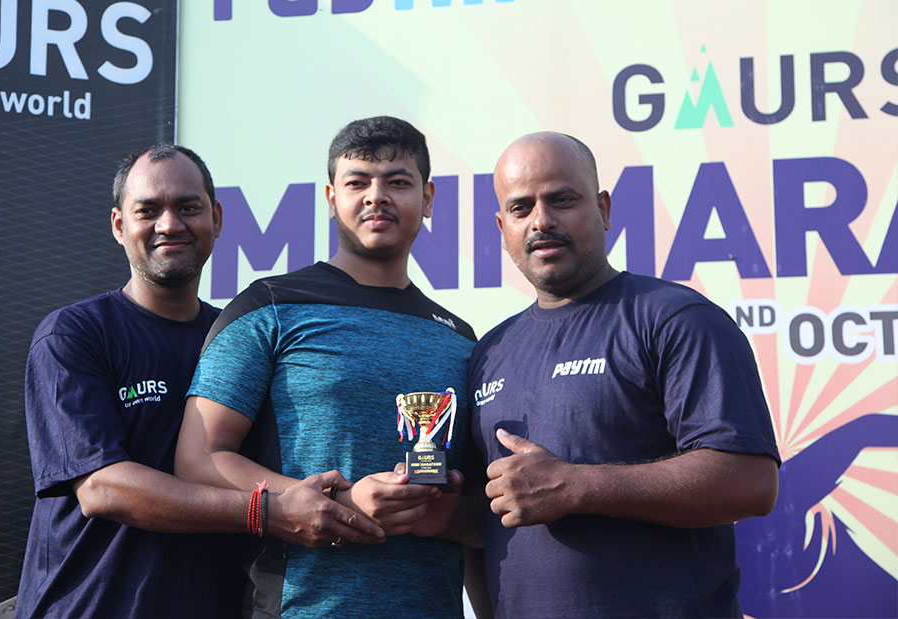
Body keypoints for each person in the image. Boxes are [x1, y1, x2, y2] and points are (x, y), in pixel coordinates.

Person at [16, 145, 381, 619]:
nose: (169, 225)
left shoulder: (243, 337)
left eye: (188, 207)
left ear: (217, 218)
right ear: (119, 225)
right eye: (148, 210)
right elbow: (102, 488)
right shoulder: (74, 335)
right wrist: (267, 511)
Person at [175, 116, 478, 618]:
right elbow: (197, 459)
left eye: (397, 182)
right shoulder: (268, 307)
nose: (376, 197)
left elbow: (478, 513)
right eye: (357, 182)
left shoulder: (460, 338)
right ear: (331, 198)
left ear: (427, 199)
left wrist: (444, 516)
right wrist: (337, 503)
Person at [469, 131, 781, 618]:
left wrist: (576, 485)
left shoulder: (676, 318)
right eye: (521, 208)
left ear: (604, 209)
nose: (541, 221)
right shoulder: (489, 351)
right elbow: (490, 517)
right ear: (501, 225)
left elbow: (751, 481)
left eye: (562, 200)